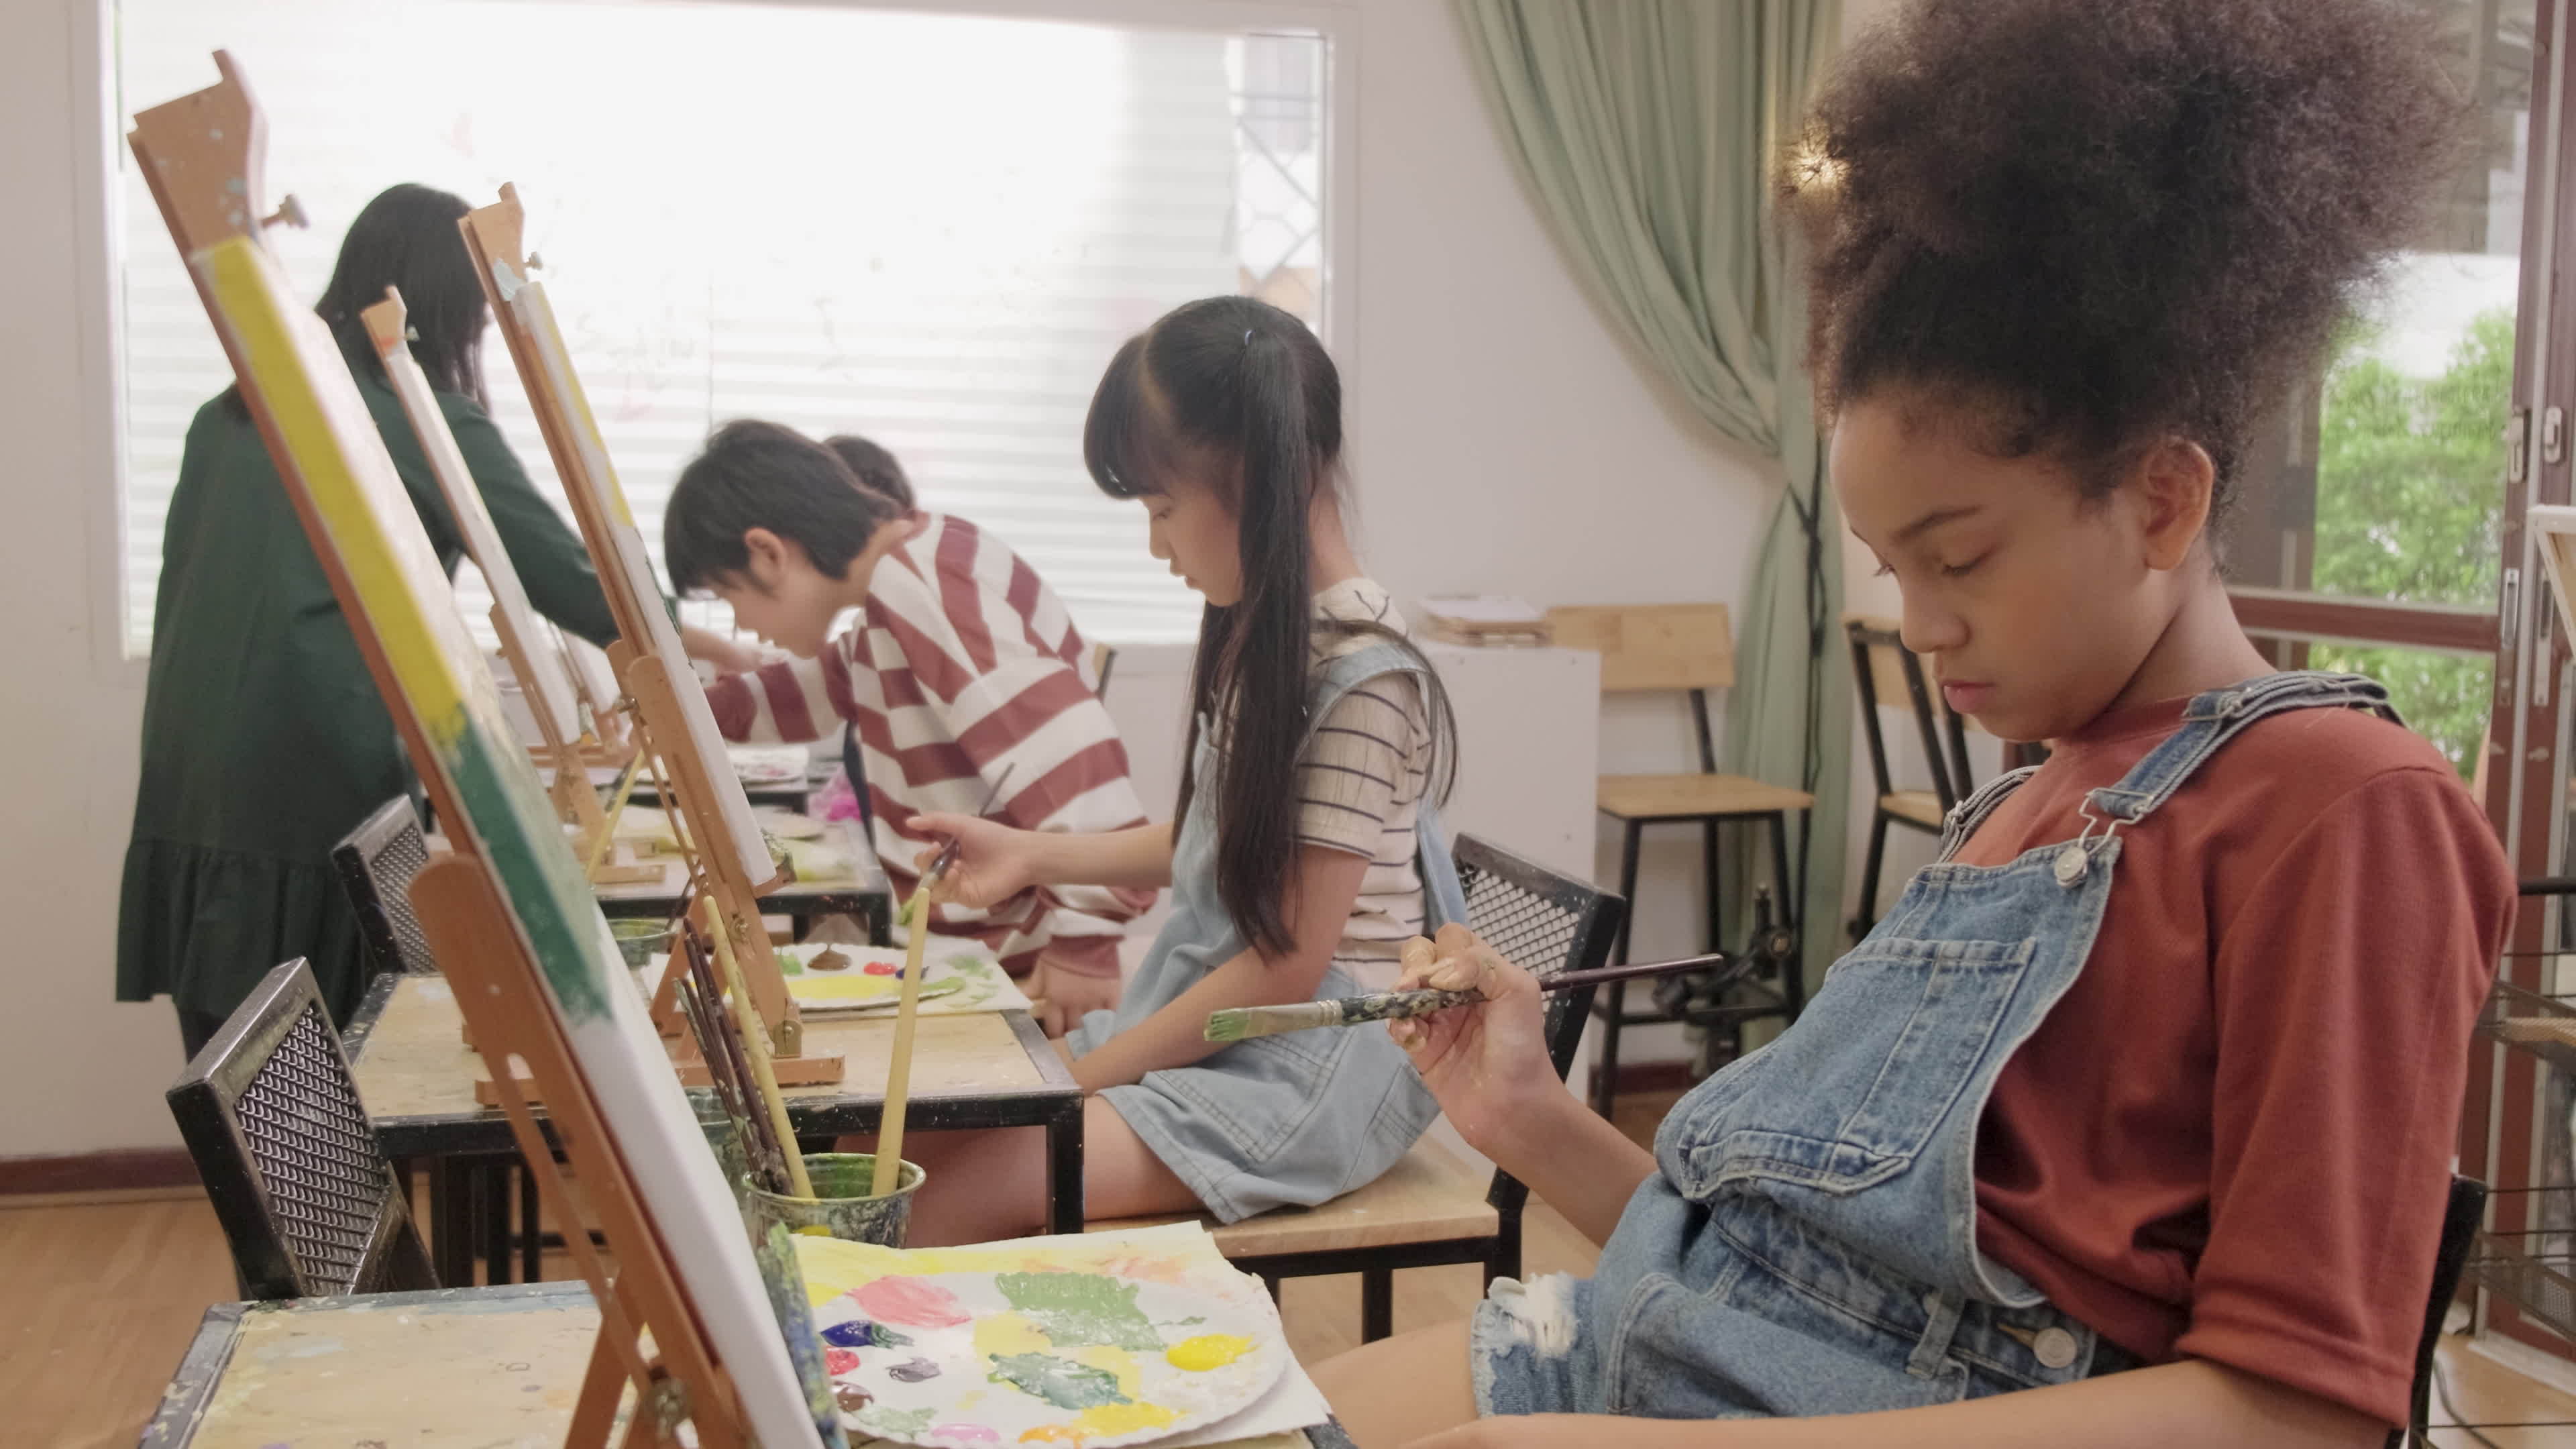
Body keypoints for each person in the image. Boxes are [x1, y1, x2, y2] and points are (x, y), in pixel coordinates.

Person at [1314, 1, 2514, 1444]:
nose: (1924, 624)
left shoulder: (2343, 807)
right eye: (1895, 572)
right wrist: (1526, 1115)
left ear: (2162, 500)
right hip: (1660, 1365)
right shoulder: (2013, 812)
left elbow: (2298, 1415)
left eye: (1963, 559)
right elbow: (1772, 1303)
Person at [875, 294, 1464, 1242]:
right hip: (1241, 1032)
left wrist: (1073, 1081)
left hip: (1309, 1063)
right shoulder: (1271, 633)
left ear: (1260, 478)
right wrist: (1029, 854)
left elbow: (1286, 968)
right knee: (899, 1151)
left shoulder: (1364, 676)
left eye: (1162, 509)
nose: (1157, 546)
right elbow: (1213, 843)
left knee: (917, 1203)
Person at [117, 184, 753, 1059]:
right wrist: (703, 640)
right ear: (445, 310)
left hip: (191, 778)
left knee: (254, 1088)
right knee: (355, 1070)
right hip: (318, 779)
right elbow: (566, 577)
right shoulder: (416, 417)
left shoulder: (225, 416)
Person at [663, 421, 1152, 1032]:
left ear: (768, 553)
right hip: (978, 945)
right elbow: (828, 683)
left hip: (1011, 958)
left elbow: (1068, 759)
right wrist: (711, 710)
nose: (740, 623)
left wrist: (1087, 938)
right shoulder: (901, 582)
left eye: (727, 595)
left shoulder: (923, 586)